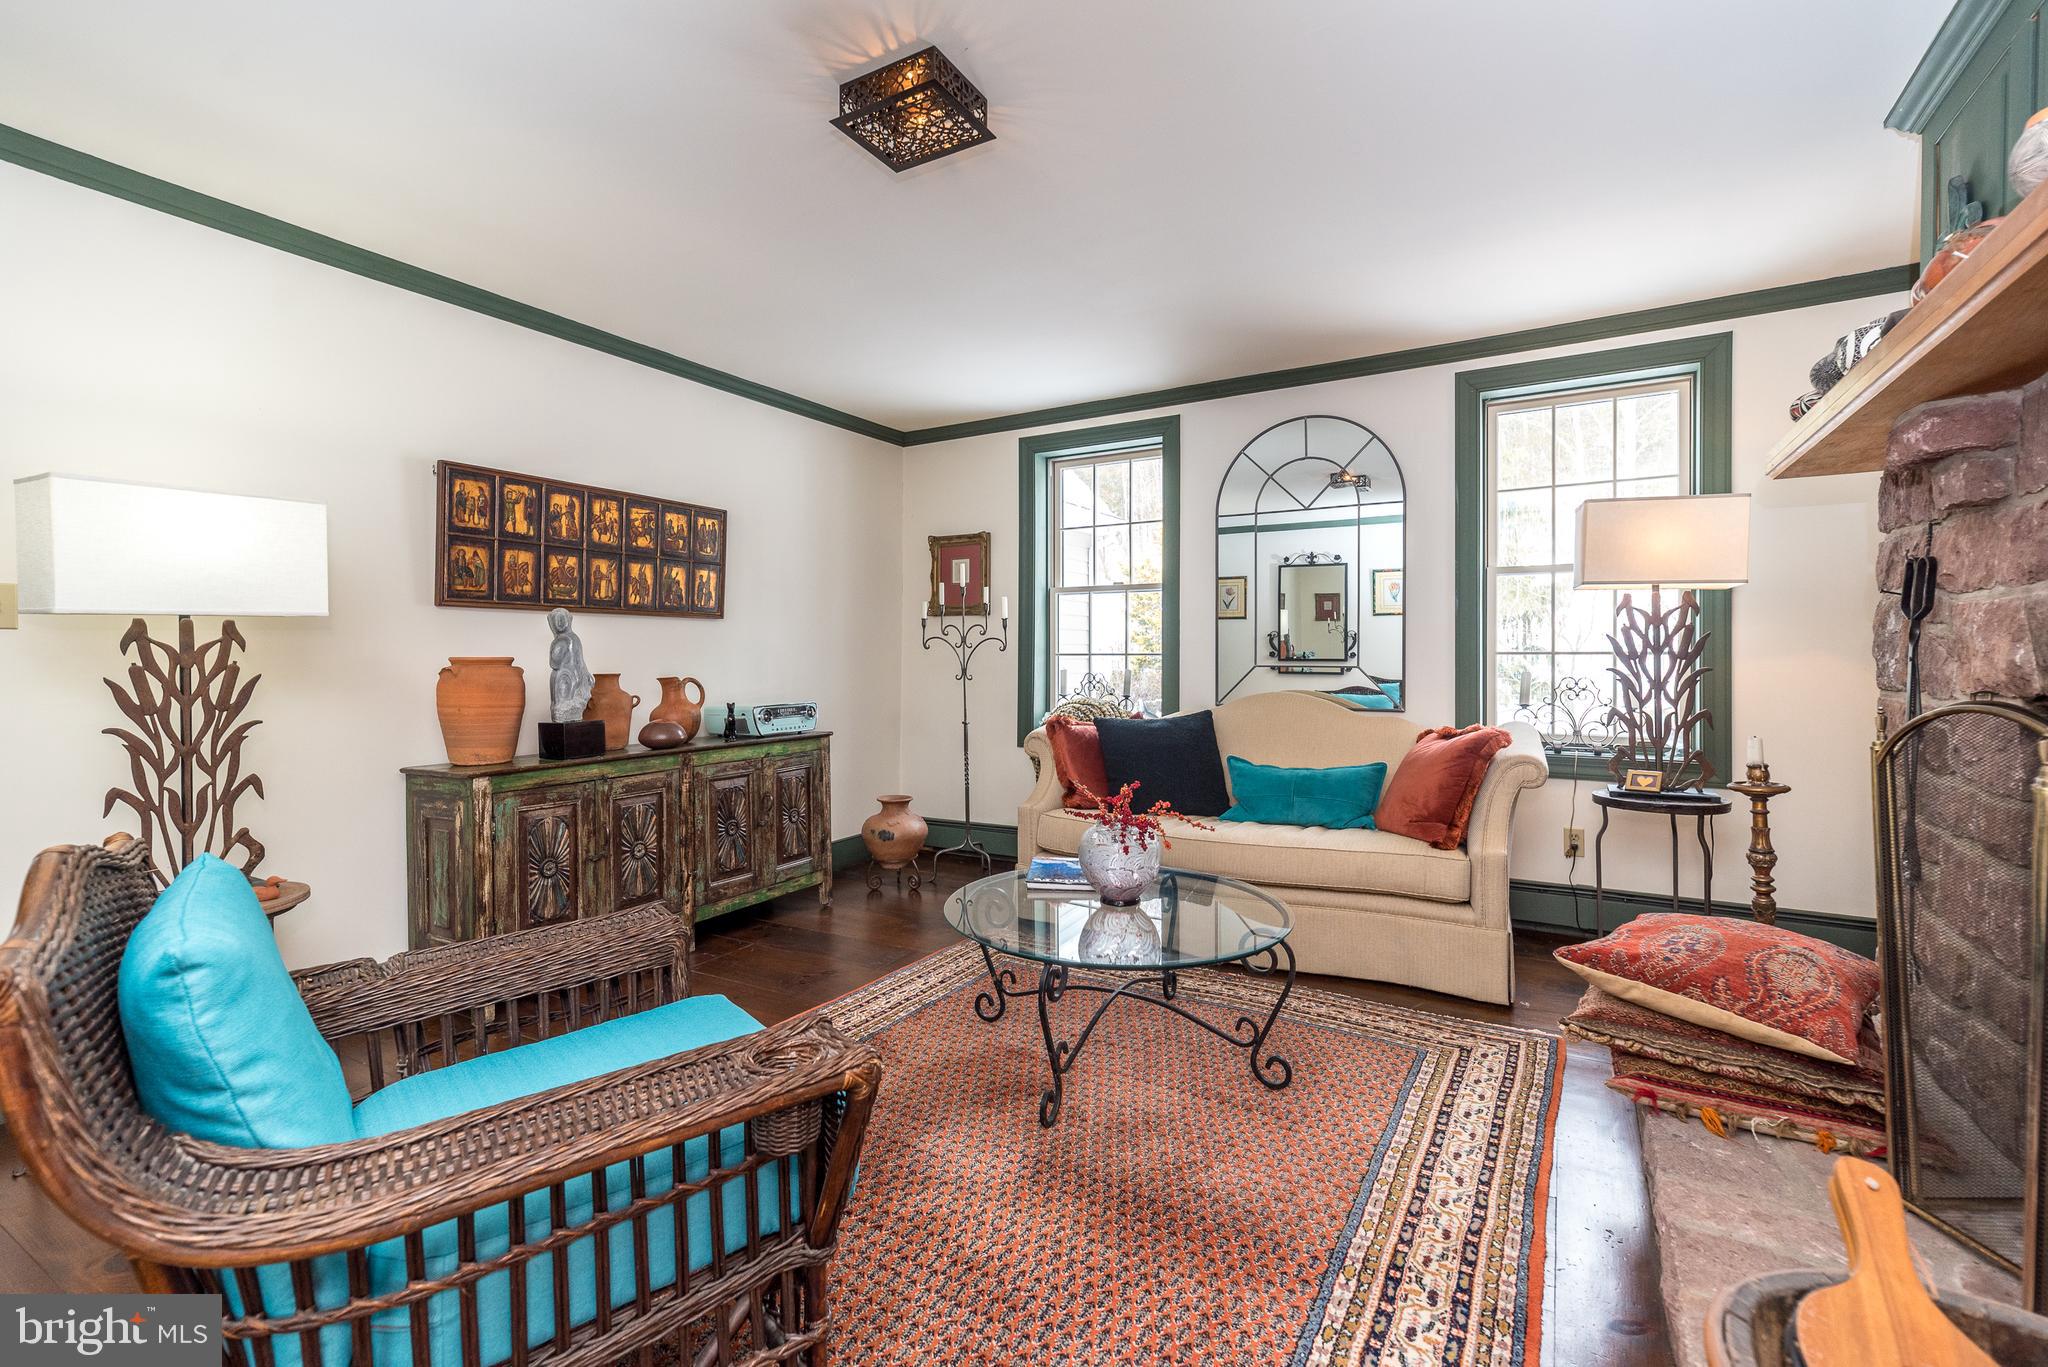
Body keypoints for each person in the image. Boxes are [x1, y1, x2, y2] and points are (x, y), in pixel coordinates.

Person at [547, 608, 593, 724]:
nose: (560, 623)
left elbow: (554, 663)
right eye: (557, 619)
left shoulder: (561, 640)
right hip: (575, 675)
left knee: (562, 703)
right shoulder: (575, 638)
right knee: (564, 702)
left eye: (562, 619)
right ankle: (565, 711)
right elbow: (580, 661)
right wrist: (586, 674)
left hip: (566, 676)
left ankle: (564, 710)